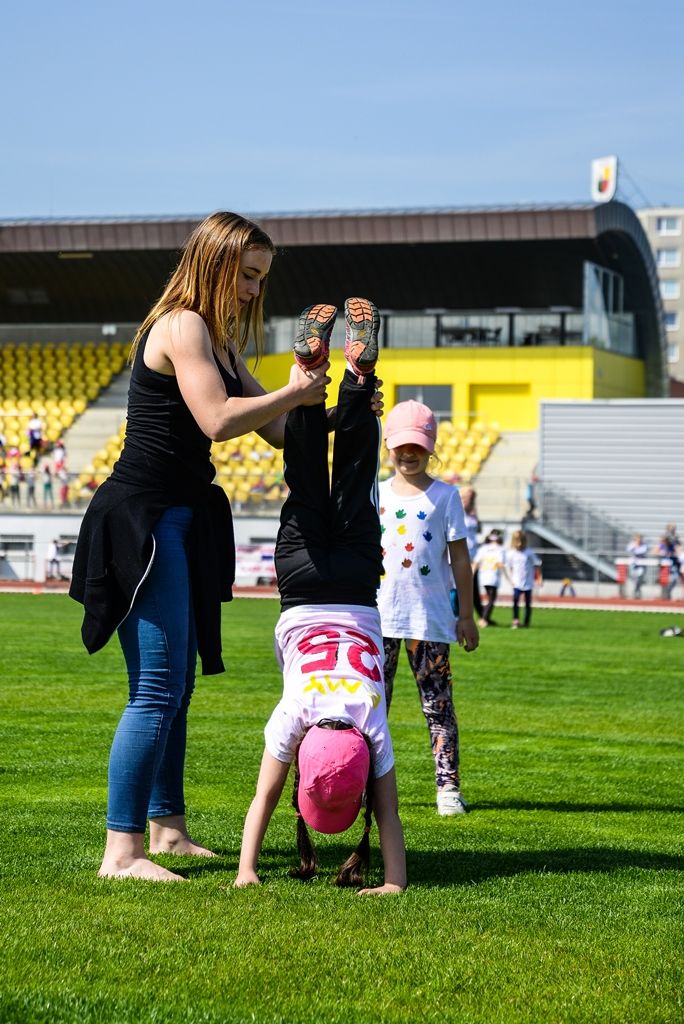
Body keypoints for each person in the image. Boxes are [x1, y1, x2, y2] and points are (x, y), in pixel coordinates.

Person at [69, 211, 329, 882]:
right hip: (143, 519)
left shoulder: (218, 342)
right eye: (245, 275)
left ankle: (168, 830)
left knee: (176, 688)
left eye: (260, 278)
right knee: (154, 690)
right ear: (214, 264)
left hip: (182, 519)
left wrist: (326, 396)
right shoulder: (182, 326)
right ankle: (121, 853)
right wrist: (290, 393)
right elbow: (216, 421)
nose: (251, 289)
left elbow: (272, 433)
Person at [236, 298, 406, 895]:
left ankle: (356, 379)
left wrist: (395, 882)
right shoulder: (296, 717)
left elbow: (389, 817)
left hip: (358, 584)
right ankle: (310, 374)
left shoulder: (372, 723)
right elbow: (264, 796)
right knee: (305, 473)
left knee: (357, 470)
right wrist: (245, 870)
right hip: (305, 584)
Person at [377, 400, 479, 818]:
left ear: (430, 447)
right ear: (388, 446)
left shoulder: (446, 496)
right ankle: (366, 784)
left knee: (438, 707)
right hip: (377, 618)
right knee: (371, 708)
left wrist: (467, 614)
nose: (408, 454)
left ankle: (448, 788)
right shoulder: (374, 493)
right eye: (401, 445)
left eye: (417, 446)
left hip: (430, 622)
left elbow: (460, 560)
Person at [504, 528, 542, 628]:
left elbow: (537, 565)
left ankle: (526, 622)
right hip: (516, 582)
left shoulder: (529, 553)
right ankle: (515, 620)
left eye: (521, 541)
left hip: (528, 582)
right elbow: (509, 567)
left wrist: (539, 578)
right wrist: (510, 579)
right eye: (517, 541)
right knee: (515, 600)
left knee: (527, 603)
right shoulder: (511, 554)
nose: (519, 543)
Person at [460, 486, 484, 620]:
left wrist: (476, 514)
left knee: (474, 586)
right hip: (462, 554)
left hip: (474, 555)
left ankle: (482, 615)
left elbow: (479, 529)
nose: (472, 500)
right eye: (470, 497)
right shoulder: (458, 511)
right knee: (461, 586)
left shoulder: (472, 514)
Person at [473, 528, 505, 628]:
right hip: (493, 576)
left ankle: (485, 618)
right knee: (491, 599)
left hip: (483, 577)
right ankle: (483, 619)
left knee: (489, 598)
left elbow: (475, 563)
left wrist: (471, 575)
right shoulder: (500, 549)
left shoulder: (483, 548)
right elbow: (501, 564)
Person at [626, 533, 648, 599]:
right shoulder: (632, 544)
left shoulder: (644, 545)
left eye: (640, 538)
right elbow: (628, 550)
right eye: (637, 538)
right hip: (633, 564)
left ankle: (637, 591)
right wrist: (635, 546)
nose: (639, 540)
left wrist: (636, 549)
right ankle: (636, 591)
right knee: (634, 578)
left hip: (640, 564)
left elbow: (641, 552)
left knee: (639, 578)